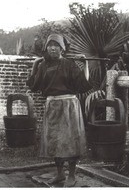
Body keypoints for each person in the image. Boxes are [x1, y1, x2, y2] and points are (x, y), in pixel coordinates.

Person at [27, 34, 92, 187]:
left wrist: (86, 63)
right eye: (50, 45)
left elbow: (83, 84)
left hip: (69, 106)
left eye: (56, 45)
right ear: (46, 48)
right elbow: (34, 85)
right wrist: (35, 65)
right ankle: (60, 173)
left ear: (62, 48)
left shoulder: (69, 64)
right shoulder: (44, 65)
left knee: (70, 141)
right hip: (52, 106)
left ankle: (72, 175)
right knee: (54, 141)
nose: (53, 48)